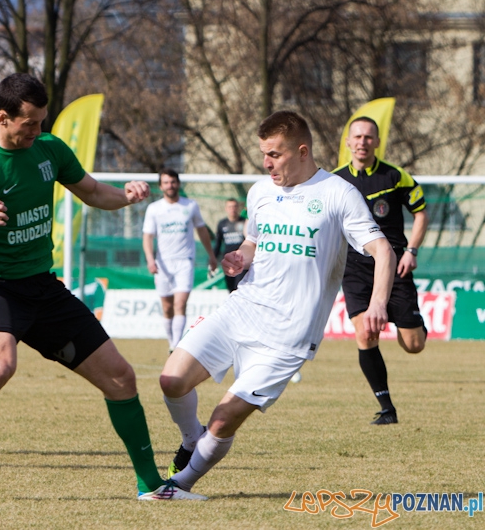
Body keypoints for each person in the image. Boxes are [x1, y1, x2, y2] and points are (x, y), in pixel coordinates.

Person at [0, 73, 206, 502]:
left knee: (121, 378)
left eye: (43, 122)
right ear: (3, 118)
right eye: (30, 123)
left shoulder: (49, 150)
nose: (38, 131)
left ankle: (151, 486)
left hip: (43, 288)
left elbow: (93, 192)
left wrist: (127, 196)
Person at [157, 111, 396, 492]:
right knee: (171, 380)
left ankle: (179, 486)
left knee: (222, 421)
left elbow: (382, 250)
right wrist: (242, 255)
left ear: (302, 151)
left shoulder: (338, 193)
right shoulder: (260, 191)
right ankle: (190, 441)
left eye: (275, 154)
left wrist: (378, 303)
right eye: (263, 154)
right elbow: (254, 239)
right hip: (243, 309)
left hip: (289, 335)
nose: (267, 163)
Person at [333, 116, 428, 425]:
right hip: (356, 267)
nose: (362, 142)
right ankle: (387, 408)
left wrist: (411, 250)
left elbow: (421, 211)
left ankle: (414, 320)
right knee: (365, 333)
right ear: (348, 142)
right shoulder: (332, 181)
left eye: (368, 137)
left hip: (395, 265)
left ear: (376, 142)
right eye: (357, 136)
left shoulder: (395, 176)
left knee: (414, 345)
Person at [142, 169, 217, 352]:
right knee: (167, 307)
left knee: (180, 304)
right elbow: (147, 237)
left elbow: (202, 231)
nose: (170, 186)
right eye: (166, 182)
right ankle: (171, 341)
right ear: (161, 186)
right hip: (163, 264)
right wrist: (150, 260)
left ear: (178, 184)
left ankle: (176, 345)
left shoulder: (190, 206)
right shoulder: (154, 209)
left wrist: (211, 255)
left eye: (173, 182)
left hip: (185, 262)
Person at [213, 198, 247, 292]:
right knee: (231, 289)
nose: (232, 209)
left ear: (238, 208)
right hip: (229, 262)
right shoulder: (222, 224)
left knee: (240, 287)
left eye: (235, 206)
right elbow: (218, 243)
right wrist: (213, 259)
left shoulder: (244, 222)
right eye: (230, 207)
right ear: (226, 209)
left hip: (242, 262)